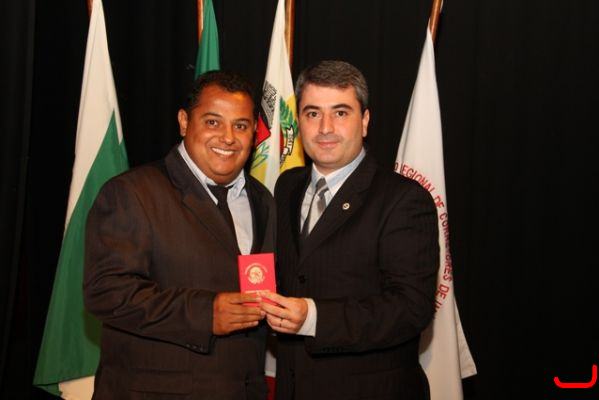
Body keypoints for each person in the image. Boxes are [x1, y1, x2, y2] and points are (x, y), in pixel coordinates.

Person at [84, 70, 275, 399]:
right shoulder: (132, 193)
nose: (228, 137)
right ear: (185, 122)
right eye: (213, 122)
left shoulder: (262, 200)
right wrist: (204, 313)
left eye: (241, 126)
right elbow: (106, 292)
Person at [259, 60, 439, 400]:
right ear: (298, 121)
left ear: (365, 121)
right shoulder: (287, 186)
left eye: (340, 113)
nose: (325, 128)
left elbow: (411, 308)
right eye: (313, 113)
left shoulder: (403, 199)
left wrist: (314, 318)